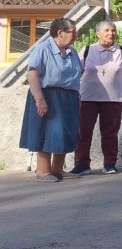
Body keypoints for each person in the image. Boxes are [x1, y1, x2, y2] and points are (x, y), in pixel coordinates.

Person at [20, 18, 82, 182]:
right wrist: (39, 99)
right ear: (60, 33)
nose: (75, 35)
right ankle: (42, 171)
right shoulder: (43, 48)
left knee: (64, 133)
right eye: (72, 32)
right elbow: (32, 74)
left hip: (68, 97)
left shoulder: (72, 51)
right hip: (48, 94)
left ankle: (57, 170)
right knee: (45, 132)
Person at [71, 20, 122, 176]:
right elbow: (75, 71)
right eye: (107, 30)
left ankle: (110, 164)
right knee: (83, 132)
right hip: (87, 98)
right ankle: (82, 164)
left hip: (113, 99)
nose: (111, 33)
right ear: (98, 33)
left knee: (110, 133)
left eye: (113, 30)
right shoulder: (87, 50)